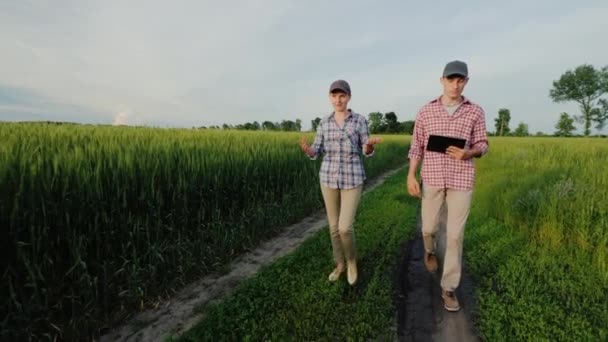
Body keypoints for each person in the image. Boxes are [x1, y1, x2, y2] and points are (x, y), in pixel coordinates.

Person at [406, 60, 489, 311]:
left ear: (466, 81)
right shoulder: (426, 111)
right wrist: (411, 175)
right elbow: (416, 146)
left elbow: (483, 143)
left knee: (454, 236)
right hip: (432, 177)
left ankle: (449, 288)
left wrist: (470, 153)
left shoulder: (475, 111)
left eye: (460, 79)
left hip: (461, 180)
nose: (455, 84)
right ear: (441, 80)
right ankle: (429, 251)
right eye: (451, 79)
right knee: (428, 228)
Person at [299, 79, 381, 285]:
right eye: (334, 95)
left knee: (345, 227)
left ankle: (352, 262)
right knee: (333, 227)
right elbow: (317, 150)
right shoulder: (324, 122)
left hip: (352, 177)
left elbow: (365, 149)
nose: (338, 99)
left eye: (342, 95)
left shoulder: (359, 120)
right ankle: (340, 265)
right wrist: (309, 150)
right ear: (330, 98)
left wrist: (370, 146)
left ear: (349, 97)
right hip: (328, 177)